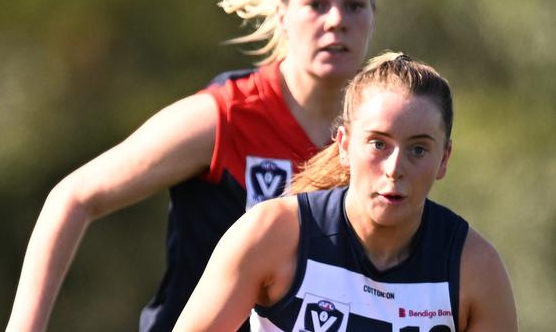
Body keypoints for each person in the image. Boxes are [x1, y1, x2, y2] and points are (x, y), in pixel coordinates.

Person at [5, 0, 377, 331]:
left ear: (373, 16)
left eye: (355, 5)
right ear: (283, 16)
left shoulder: (381, 143)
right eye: (316, 4)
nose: (336, 21)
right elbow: (72, 197)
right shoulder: (227, 116)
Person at [173, 52, 518, 332]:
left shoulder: (473, 268)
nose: (395, 167)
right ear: (344, 145)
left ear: (443, 159)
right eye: (378, 143)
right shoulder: (271, 233)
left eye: (418, 149)